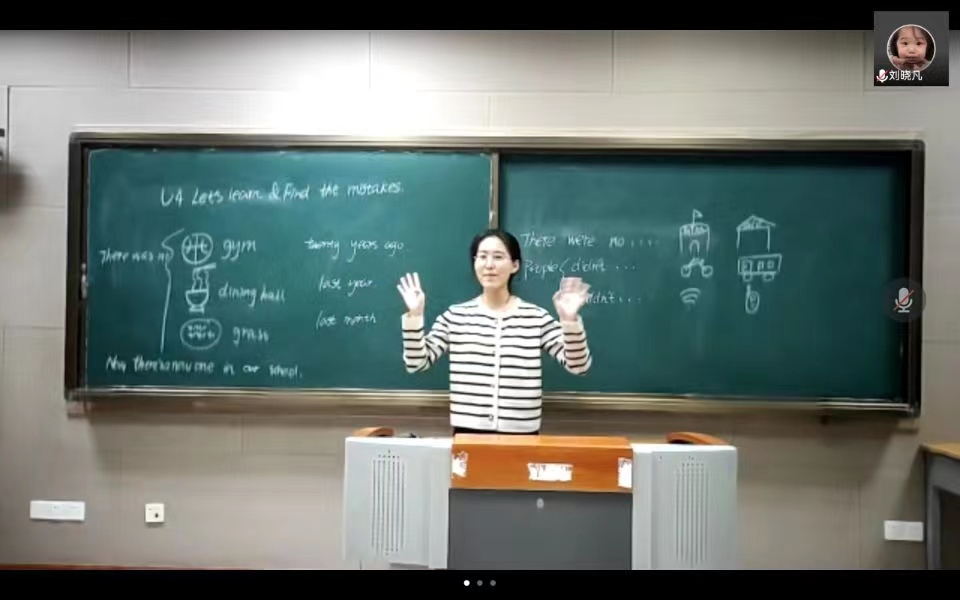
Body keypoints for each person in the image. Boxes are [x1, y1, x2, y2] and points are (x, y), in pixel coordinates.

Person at [397, 229, 592, 435]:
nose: (489, 265)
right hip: (468, 434)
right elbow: (416, 363)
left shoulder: (536, 317)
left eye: (498, 257)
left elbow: (579, 366)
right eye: (482, 257)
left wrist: (569, 321)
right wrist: (414, 316)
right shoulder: (455, 316)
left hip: (522, 435)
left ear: (515, 265)